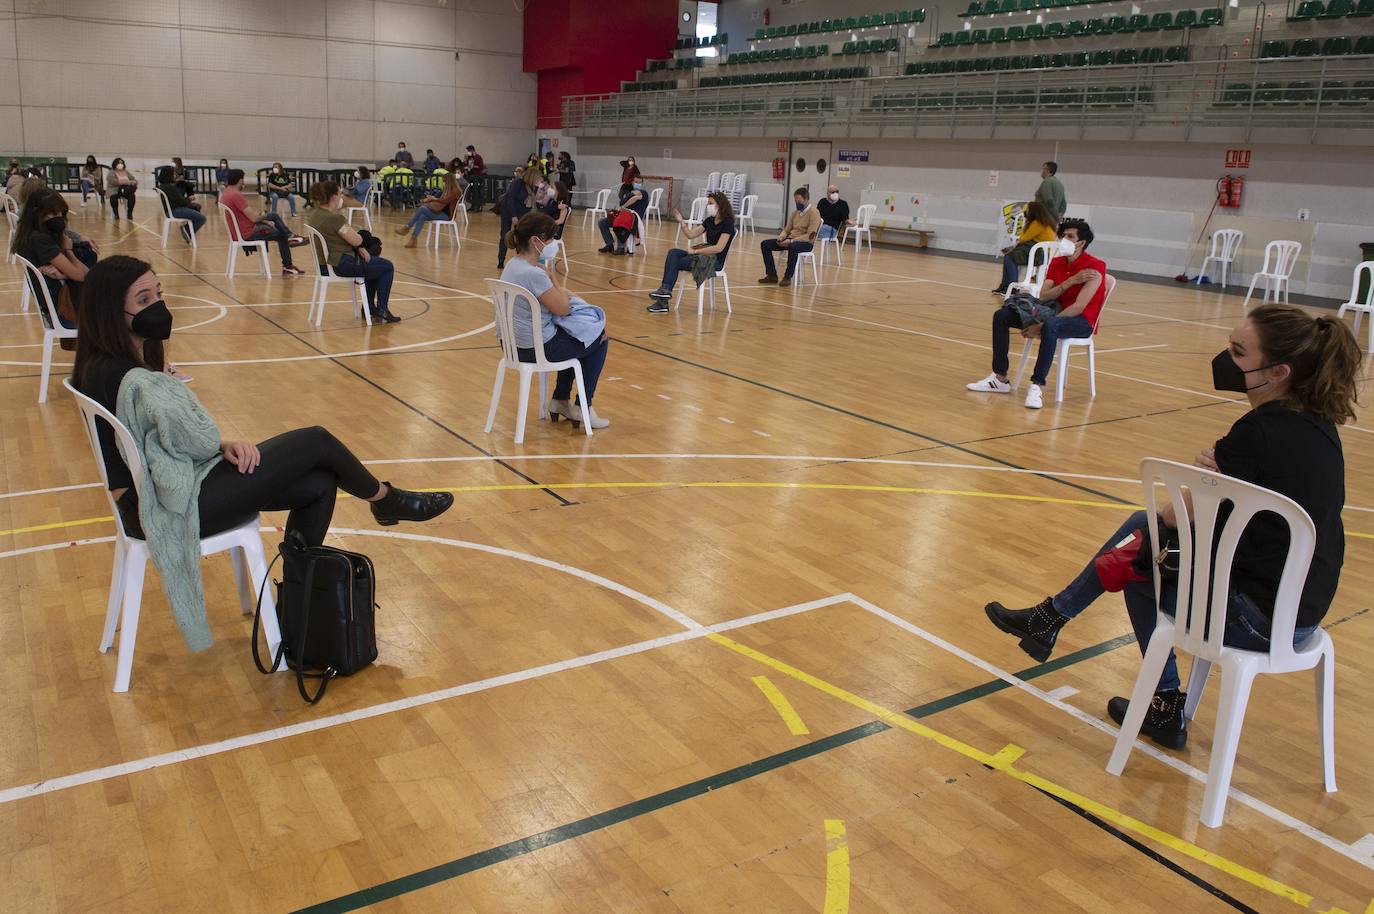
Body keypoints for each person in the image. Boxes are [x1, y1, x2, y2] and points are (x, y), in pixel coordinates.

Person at [982, 305, 1360, 749]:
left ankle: (1157, 700)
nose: (1225, 359)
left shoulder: (1256, 434)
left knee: (1142, 567)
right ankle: (1050, 619)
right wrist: (1212, 480)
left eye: (1238, 353)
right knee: (1145, 540)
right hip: (1301, 610)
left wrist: (1204, 479)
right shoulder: (1318, 427)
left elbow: (1173, 516)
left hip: (1259, 620)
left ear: (1277, 372)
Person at [73, 256, 452, 649]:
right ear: (111, 312)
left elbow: (167, 441)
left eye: (159, 293)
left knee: (321, 481)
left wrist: (226, 447)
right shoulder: (128, 378)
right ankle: (384, 499)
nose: (157, 306)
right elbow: (196, 439)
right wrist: (217, 442)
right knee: (317, 440)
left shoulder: (108, 364)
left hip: (165, 492)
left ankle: (298, 602)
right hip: (163, 508)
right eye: (143, 298)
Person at [966, 219, 1105, 410]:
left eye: (1070, 236)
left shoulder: (1095, 267)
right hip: (1052, 312)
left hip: (1081, 321)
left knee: (1051, 326)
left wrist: (1040, 326)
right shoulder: (1057, 262)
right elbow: (1044, 295)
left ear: (1082, 243)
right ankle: (1000, 378)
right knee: (1002, 316)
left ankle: (1036, 385)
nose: (1064, 239)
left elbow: (1079, 307)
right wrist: (1071, 281)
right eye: (1063, 235)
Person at [499, 212, 610, 429]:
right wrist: (554, 279)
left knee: (577, 337)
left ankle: (560, 400)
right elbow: (563, 308)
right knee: (599, 338)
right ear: (535, 240)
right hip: (536, 348)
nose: (552, 243)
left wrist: (551, 281)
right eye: (549, 238)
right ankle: (582, 407)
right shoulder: (535, 274)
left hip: (512, 345)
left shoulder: (513, 265)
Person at [307, 181, 400, 323]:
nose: (341, 197)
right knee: (387, 267)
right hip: (340, 264)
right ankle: (382, 310)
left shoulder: (315, 215)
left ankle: (369, 309)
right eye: (339, 193)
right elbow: (356, 240)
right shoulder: (335, 219)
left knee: (372, 263)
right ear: (333, 196)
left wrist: (360, 246)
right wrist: (363, 240)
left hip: (324, 265)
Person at [10, 189, 96, 331]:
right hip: (65, 313)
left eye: (62, 214)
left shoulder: (30, 235)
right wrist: (68, 250)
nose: (60, 218)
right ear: (38, 213)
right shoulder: (40, 240)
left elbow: (87, 273)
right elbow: (83, 275)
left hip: (59, 307)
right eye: (55, 214)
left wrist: (65, 274)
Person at [646, 191, 735, 313]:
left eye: (710, 203)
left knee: (676, 262)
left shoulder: (727, 224)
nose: (707, 206)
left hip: (715, 261)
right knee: (674, 253)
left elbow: (719, 248)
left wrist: (695, 251)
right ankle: (665, 293)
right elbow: (691, 235)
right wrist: (682, 222)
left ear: (719, 205)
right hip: (702, 256)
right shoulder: (709, 221)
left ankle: (663, 300)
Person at [220, 169, 307, 276]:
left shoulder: (226, 193)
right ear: (240, 180)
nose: (243, 182)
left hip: (238, 231)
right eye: (243, 180)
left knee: (274, 224)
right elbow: (254, 219)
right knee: (278, 226)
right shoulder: (236, 195)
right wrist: (264, 218)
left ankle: (290, 239)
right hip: (248, 233)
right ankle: (289, 248)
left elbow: (248, 216)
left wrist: (265, 221)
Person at [992, 200, 1058, 295]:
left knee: (1011, 257)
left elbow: (1023, 238)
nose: (1025, 212)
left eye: (1027, 210)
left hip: (1039, 254)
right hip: (1038, 252)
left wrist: (1026, 225)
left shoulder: (1037, 223)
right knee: (1009, 256)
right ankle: (1005, 286)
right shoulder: (1044, 222)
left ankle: (1011, 288)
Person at [759, 187, 821, 286]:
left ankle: (787, 277)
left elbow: (810, 236)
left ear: (806, 199)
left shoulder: (814, 213)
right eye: (796, 201)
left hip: (805, 243)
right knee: (765, 244)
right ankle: (772, 275)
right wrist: (782, 237)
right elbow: (787, 229)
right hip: (791, 239)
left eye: (799, 201)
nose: (797, 204)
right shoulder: (794, 213)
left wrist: (792, 241)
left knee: (793, 247)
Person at [393, 171, 461, 248]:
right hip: (441, 213)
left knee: (422, 209)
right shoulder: (447, 190)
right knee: (422, 217)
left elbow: (444, 200)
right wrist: (431, 199)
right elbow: (440, 198)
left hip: (447, 216)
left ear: (449, 181)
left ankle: (407, 227)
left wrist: (434, 199)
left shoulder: (455, 191)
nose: (443, 183)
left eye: (444, 181)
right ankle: (413, 239)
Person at [495, 167, 537, 269]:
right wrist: (513, 215)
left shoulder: (532, 186)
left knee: (520, 236)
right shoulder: (517, 183)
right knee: (505, 234)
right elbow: (510, 199)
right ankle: (501, 260)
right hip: (508, 211)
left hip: (522, 213)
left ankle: (520, 260)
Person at [155, 166, 206, 243]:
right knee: (202, 218)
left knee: (195, 209)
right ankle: (187, 230)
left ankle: (187, 231)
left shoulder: (162, 186)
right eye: (173, 174)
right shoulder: (170, 187)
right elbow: (182, 202)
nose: (175, 176)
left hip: (170, 210)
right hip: (175, 211)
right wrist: (189, 200)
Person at [597, 180, 647, 256]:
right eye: (636, 182)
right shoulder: (630, 193)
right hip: (624, 215)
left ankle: (621, 248)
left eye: (639, 182)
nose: (638, 184)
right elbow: (621, 202)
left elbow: (635, 198)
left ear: (642, 183)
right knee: (602, 222)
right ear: (633, 182)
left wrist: (624, 205)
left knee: (621, 221)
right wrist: (630, 195)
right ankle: (609, 244)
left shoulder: (644, 193)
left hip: (633, 219)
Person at [461, 145, 486, 211]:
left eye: (469, 151)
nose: (468, 152)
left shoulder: (478, 157)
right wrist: (465, 160)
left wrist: (473, 166)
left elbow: (481, 167)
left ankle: (478, 206)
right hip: (470, 177)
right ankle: (471, 206)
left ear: (472, 150)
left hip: (477, 177)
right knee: (470, 191)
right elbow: (464, 165)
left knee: (477, 192)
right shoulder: (468, 157)